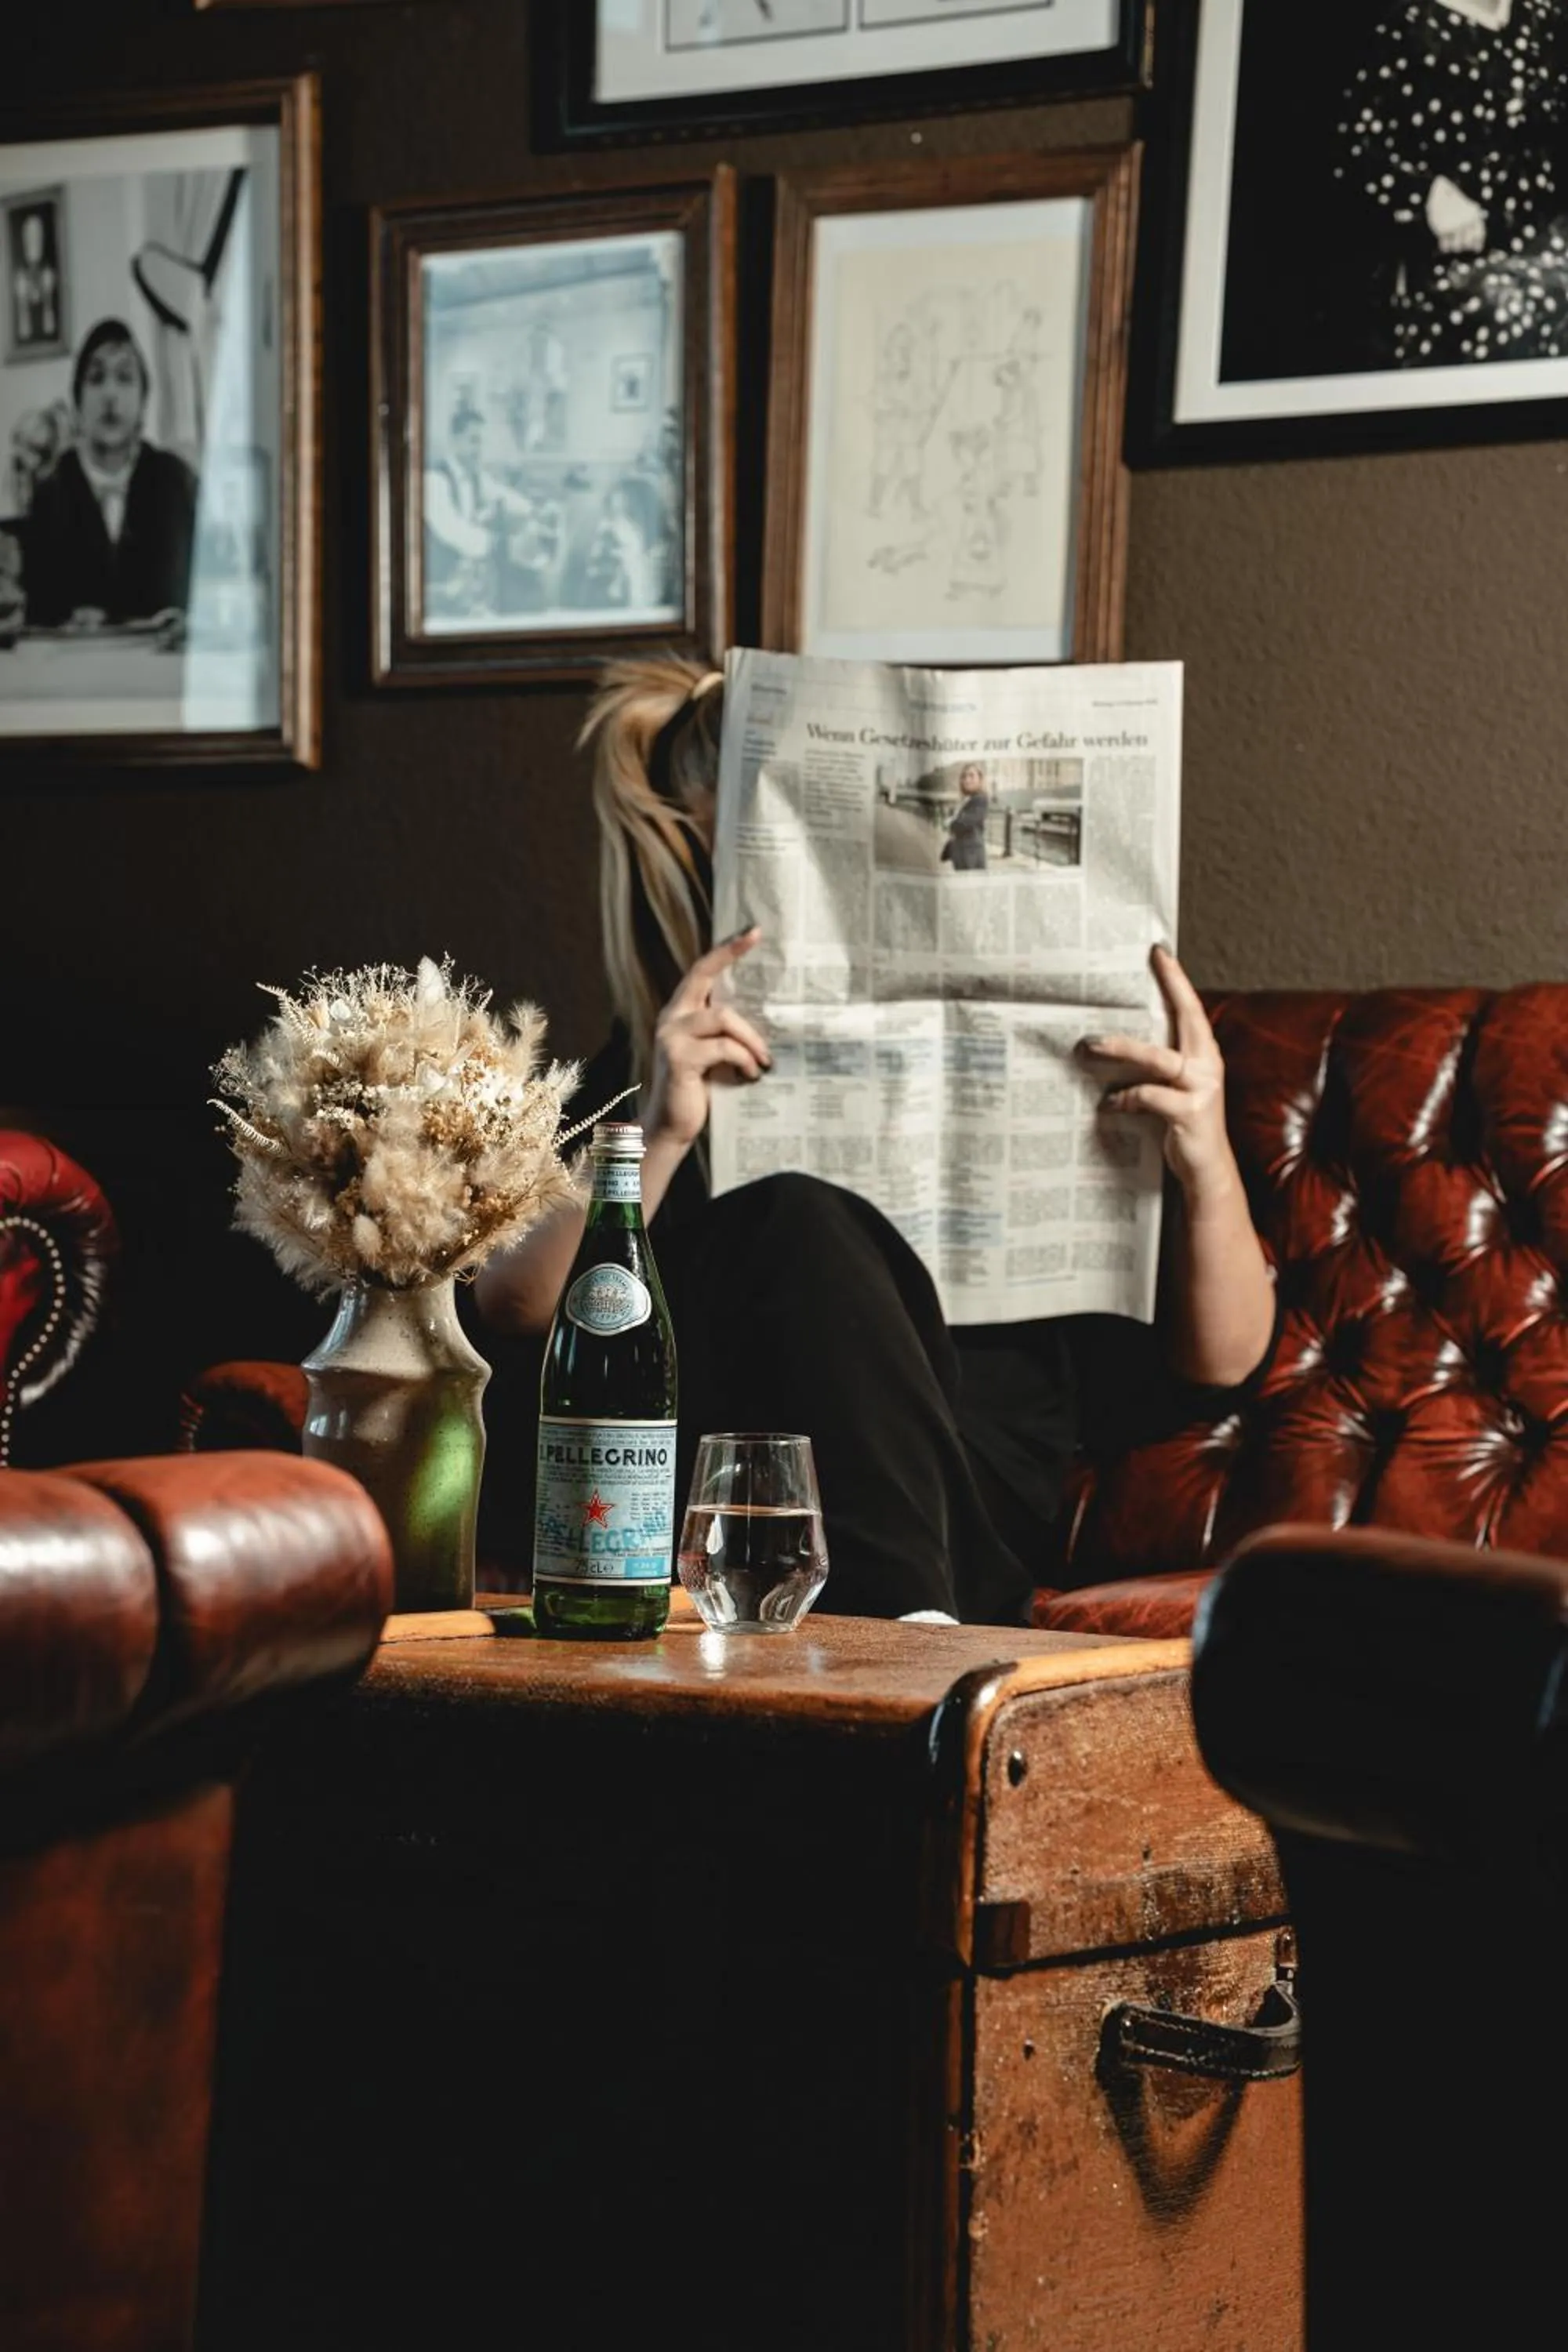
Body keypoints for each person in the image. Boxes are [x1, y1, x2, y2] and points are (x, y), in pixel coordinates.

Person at [474, 657, 1277, 1627]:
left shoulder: (1098, 1059)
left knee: (813, 1228)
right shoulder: (661, 1062)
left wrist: (1207, 1151)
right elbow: (515, 1303)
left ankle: (909, 1639)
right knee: (799, 1220)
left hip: (973, 1502)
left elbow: (1224, 1360)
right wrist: (665, 1130)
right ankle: (910, 1649)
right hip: (747, 1491)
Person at [1334, 0, 1568, 366]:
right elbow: (1352, 153)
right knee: (1515, 308)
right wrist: (1427, 196)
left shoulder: (1547, 17)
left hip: (1549, 243)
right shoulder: (1404, 25)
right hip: (1452, 265)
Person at [22, 318, 196, 633]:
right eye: (96, 378)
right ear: (78, 401)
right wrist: (65, 623)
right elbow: (37, 617)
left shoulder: (176, 483)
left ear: (144, 402)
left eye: (125, 378)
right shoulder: (50, 494)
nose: (110, 395)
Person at [423, 397, 537, 619]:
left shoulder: (476, 475)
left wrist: (533, 510)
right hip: (436, 586)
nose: (479, 449)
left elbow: (501, 493)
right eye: (473, 441)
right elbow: (453, 531)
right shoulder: (433, 479)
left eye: (482, 442)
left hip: (465, 585)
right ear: (455, 440)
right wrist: (502, 544)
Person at [942, 761, 991, 871]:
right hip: (961, 855)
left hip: (971, 856)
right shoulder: (965, 800)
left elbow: (967, 822)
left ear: (980, 779)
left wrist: (950, 823)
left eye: (972, 776)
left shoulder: (981, 799)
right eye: (964, 776)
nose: (967, 780)